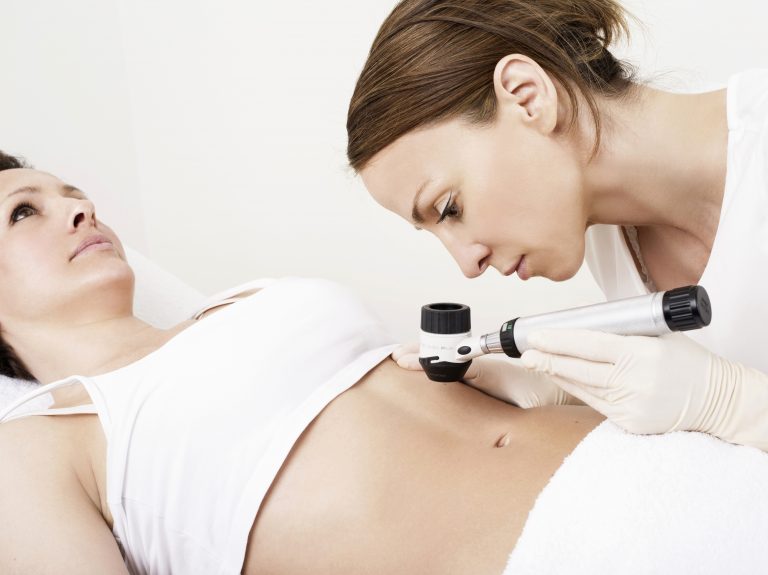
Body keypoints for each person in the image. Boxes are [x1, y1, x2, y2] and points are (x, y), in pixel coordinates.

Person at [0, 151, 609, 573]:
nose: (83, 210)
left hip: (625, 457)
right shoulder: (32, 447)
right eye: (23, 212)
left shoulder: (239, 301)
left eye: (73, 195)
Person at [347, 0, 768, 451]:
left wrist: (733, 403)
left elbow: (722, 397)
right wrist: (570, 394)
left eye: (450, 208)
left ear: (529, 97)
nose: (468, 265)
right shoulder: (607, 236)